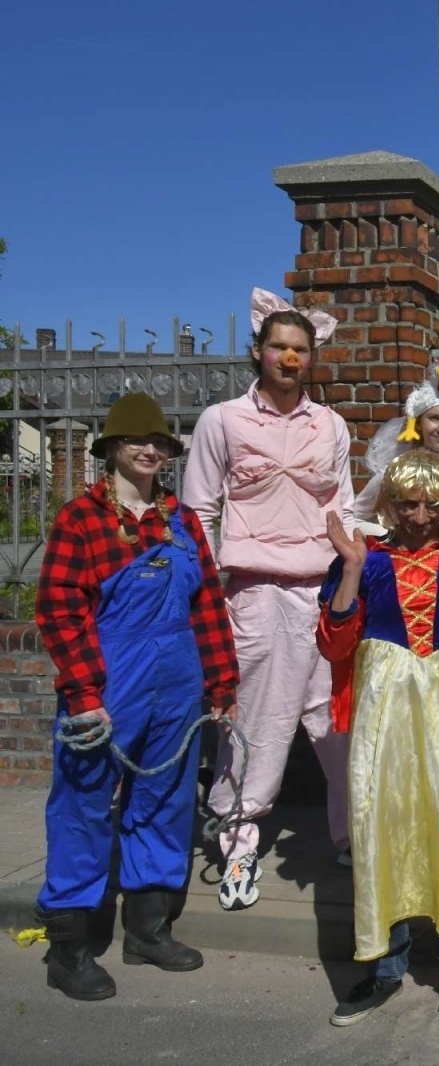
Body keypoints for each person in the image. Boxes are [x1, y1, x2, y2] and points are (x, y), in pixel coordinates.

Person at [33, 393, 238, 1001]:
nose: (149, 451)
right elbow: (58, 609)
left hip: (177, 682)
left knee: (166, 798)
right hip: (107, 683)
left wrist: (221, 681)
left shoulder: (182, 520)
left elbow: (206, 606)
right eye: (135, 442)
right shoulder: (81, 519)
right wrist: (83, 692)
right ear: (112, 449)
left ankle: (148, 931)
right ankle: (69, 946)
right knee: (84, 804)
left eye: (159, 444)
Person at [318, 451, 439, 1031]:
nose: (420, 515)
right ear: (389, 504)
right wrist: (351, 570)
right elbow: (333, 647)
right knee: (385, 829)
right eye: (407, 503)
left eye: (433, 504)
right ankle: (384, 968)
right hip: (385, 720)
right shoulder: (365, 563)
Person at [186, 288, 354, 910]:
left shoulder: (330, 425)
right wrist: (208, 591)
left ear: (312, 359)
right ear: (258, 352)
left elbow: (342, 508)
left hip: (321, 589)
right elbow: (200, 510)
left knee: (335, 715)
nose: (289, 358)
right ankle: (239, 840)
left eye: (300, 350)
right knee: (253, 719)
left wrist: (352, 578)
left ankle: (350, 833)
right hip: (253, 591)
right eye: (279, 347)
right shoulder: (222, 421)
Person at [353, 354, 439, 531]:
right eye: (434, 418)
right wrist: (389, 538)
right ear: (418, 423)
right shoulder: (396, 473)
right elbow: (352, 518)